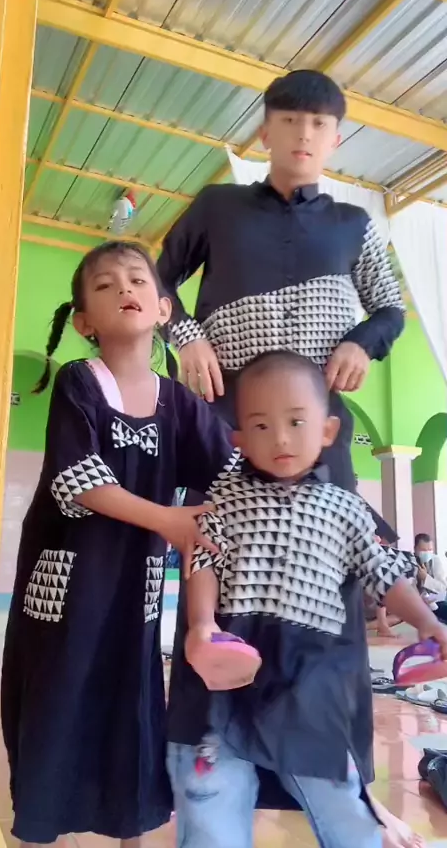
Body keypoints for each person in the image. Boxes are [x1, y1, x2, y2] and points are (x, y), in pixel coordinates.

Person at [159, 69, 411, 846]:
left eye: (320, 124)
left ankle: (337, 778)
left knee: (331, 595)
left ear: (336, 139)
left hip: (317, 443)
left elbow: (392, 307)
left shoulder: (355, 223)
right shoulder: (217, 206)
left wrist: (362, 342)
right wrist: (186, 336)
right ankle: (212, 762)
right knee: (216, 575)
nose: (304, 135)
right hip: (228, 431)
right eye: (290, 120)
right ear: (265, 130)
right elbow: (158, 280)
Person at [0, 242, 238, 846]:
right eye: (105, 285)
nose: (124, 289)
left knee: (132, 708)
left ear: (162, 309)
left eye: (137, 280)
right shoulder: (79, 383)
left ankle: (132, 831)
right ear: (85, 322)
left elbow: (232, 475)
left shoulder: (180, 405)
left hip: (136, 594)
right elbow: (79, 480)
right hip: (66, 594)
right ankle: (38, 832)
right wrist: (169, 519)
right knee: (58, 704)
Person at [170, 350, 444, 848]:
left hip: (312, 682)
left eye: (296, 422)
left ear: (327, 431)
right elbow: (205, 560)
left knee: (344, 808)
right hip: (230, 673)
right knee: (211, 799)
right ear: (239, 438)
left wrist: (429, 623)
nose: (280, 438)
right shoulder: (223, 500)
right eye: (261, 425)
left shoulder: (346, 508)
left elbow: (383, 573)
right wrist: (202, 624)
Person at [414, 532, 447, 623]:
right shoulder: (410, 562)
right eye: (423, 550)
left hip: (436, 602)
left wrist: (425, 578)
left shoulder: (435, 560)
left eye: (430, 550)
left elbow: (442, 587)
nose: (427, 553)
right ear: (415, 549)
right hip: (417, 604)